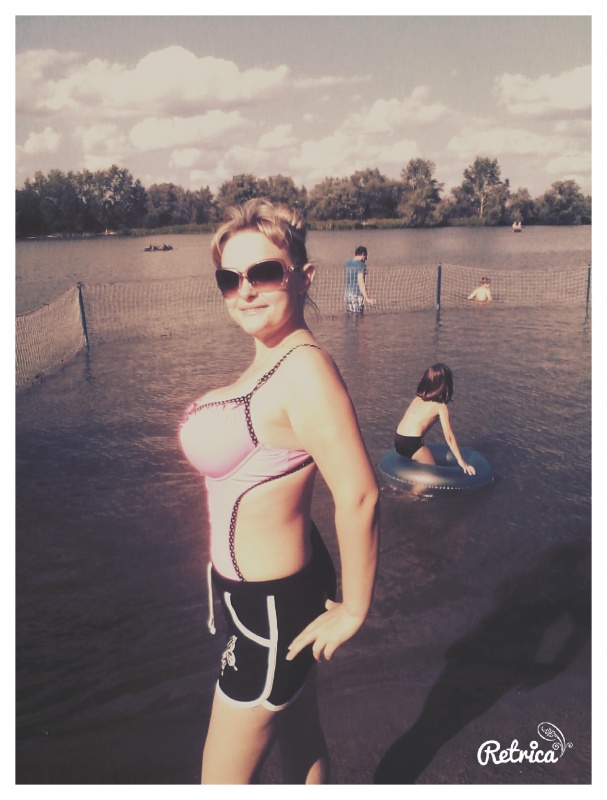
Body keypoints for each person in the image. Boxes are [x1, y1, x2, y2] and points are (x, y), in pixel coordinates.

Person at [179, 199, 380, 784]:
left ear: (304, 276)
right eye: (229, 279)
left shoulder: (304, 370)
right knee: (299, 733)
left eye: (264, 272)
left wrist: (355, 609)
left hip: (268, 612)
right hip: (268, 600)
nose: (245, 290)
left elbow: (360, 496)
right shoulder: (272, 361)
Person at [394, 363, 476, 475]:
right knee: (432, 474)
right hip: (412, 443)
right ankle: (414, 488)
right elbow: (449, 437)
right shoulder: (440, 406)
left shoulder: (417, 399)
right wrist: (461, 460)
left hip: (398, 439)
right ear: (445, 385)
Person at [344, 246, 376, 313]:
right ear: (363, 254)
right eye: (366, 256)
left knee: (350, 314)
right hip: (356, 294)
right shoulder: (361, 265)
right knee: (357, 315)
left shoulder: (347, 263)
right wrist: (367, 298)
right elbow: (360, 282)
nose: (366, 258)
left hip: (347, 294)